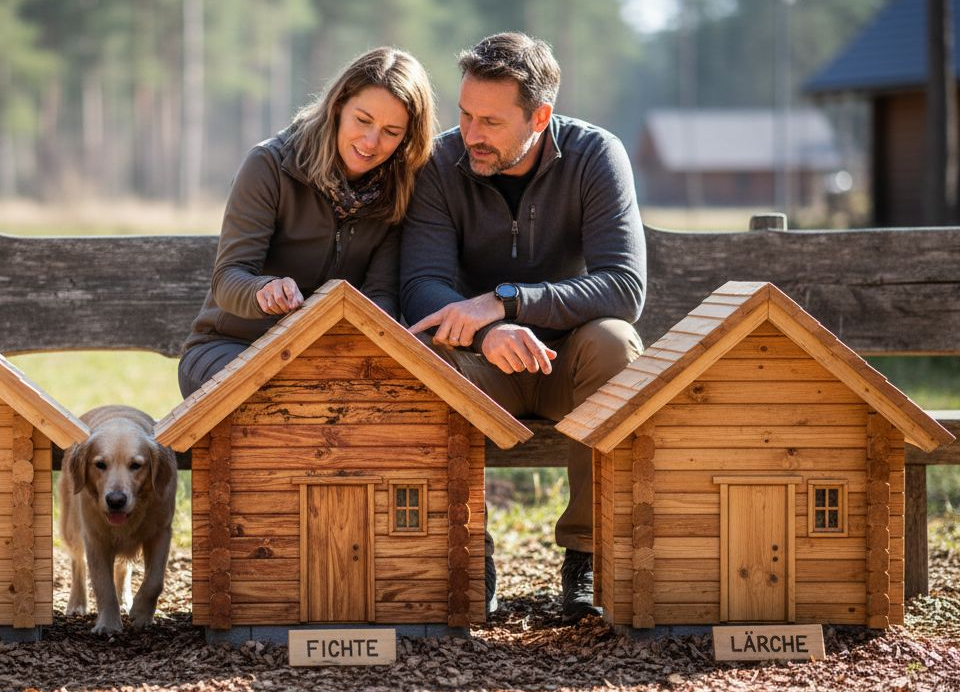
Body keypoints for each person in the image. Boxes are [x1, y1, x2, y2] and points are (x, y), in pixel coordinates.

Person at [401, 32, 646, 623]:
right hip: (480, 369)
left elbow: (623, 287)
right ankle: (467, 550)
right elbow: (421, 286)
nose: (471, 134)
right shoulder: (439, 164)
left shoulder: (595, 156)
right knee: (427, 355)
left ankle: (588, 554)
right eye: (465, 114)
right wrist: (487, 333)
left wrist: (506, 303)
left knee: (616, 343)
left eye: (491, 121)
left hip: (572, 366)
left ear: (540, 116)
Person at [178, 47, 437, 396]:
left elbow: (381, 298)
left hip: (328, 361)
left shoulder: (399, 189)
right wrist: (263, 291)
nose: (371, 142)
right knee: (290, 402)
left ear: (408, 136)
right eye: (363, 120)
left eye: (391, 131)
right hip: (230, 347)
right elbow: (228, 279)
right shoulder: (270, 165)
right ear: (338, 105)